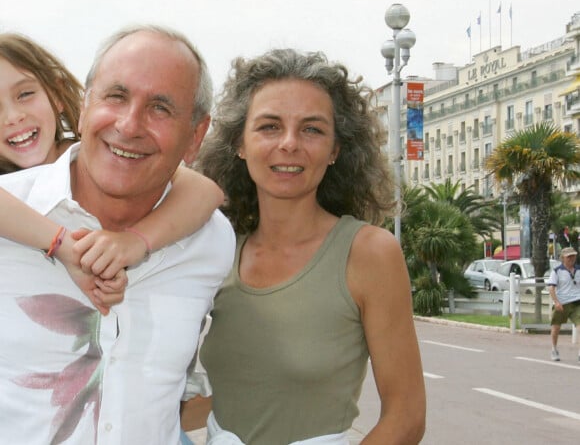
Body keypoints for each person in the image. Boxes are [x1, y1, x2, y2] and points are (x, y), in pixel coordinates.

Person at [0, 25, 236, 444]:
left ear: (195, 136)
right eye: (116, 96)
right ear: (86, 103)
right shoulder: (13, 213)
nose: (130, 125)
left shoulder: (210, 241)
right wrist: (58, 242)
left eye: (160, 107)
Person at [190, 49, 426, 444]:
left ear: (336, 150)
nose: (289, 144)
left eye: (312, 129)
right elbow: (239, 396)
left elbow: (406, 418)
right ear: (239, 143)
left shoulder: (368, 253)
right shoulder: (217, 249)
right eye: (269, 126)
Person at [0, 32, 225, 312]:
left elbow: (203, 191)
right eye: (117, 96)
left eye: (25, 94)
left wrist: (136, 240)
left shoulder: (102, 152)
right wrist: (63, 245)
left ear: (57, 94)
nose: (12, 117)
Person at [546, 246, 580, 362]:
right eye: (569, 256)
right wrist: (556, 302)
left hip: (577, 303)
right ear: (563, 258)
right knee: (556, 328)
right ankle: (554, 349)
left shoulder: (579, 270)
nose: (571, 258)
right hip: (562, 303)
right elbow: (551, 288)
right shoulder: (557, 271)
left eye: (573, 256)